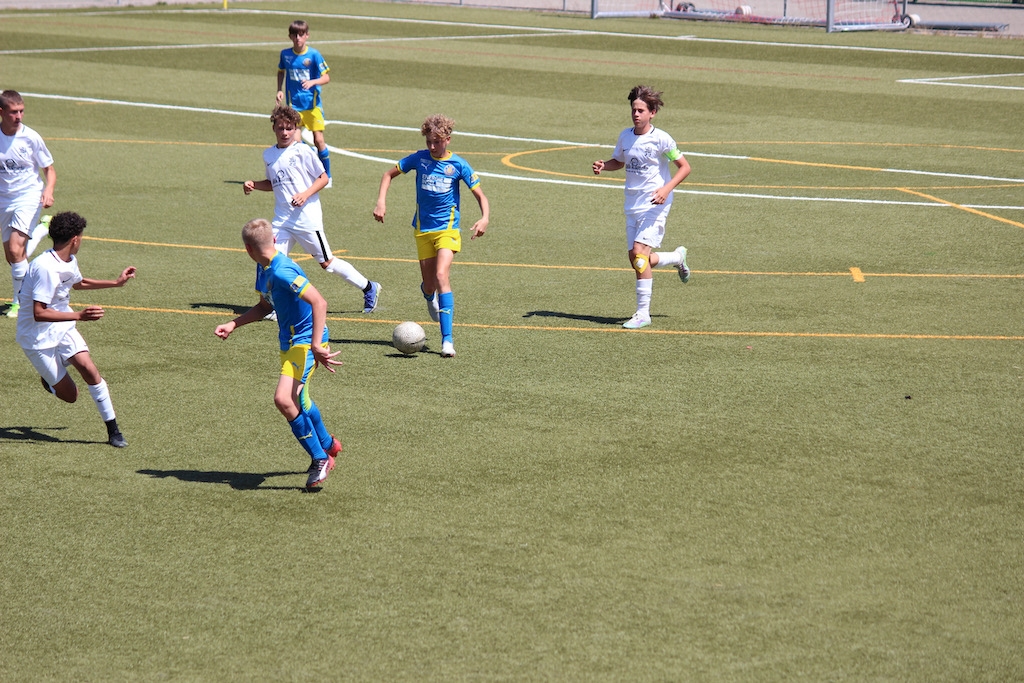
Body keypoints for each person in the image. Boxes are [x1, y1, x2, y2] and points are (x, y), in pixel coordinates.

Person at [215, 218, 344, 490]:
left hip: (305, 343)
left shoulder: (283, 270)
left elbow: (319, 302)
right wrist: (233, 324)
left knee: (284, 399)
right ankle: (328, 444)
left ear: (248, 249)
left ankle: (320, 458)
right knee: (301, 401)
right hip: (289, 343)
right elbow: (265, 307)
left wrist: (316, 345)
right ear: (273, 240)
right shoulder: (264, 270)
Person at [244, 106, 381, 314]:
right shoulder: (269, 154)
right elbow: (274, 183)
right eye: (280, 128)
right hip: (282, 220)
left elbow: (323, 178)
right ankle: (271, 306)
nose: (285, 132)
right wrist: (254, 184)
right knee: (270, 260)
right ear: (274, 128)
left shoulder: (303, 151)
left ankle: (369, 287)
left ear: (296, 129)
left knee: (327, 263)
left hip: (306, 218)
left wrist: (305, 194)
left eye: (289, 128)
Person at [373, 114, 489, 358]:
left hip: (448, 230)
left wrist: (484, 218)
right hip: (422, 230)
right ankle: (428, 295)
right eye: (429, 142)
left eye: (437, 142)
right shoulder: (419, 159)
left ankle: (447, 341)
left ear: (448, 140)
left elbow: (480, 195)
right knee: (429, 284)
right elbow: (388, 175)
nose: (432, 147)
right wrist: (381, 202)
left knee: (441, 275)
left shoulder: (458, 165)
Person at [15, 211, 134, 448]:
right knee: (71, 396)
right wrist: (79, 315)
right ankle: (50, 381)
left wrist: (116, 283)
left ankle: (113, 430)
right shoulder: (46, 268)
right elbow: (39, 313)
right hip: (37, 338)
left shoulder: (68, 259)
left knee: (89, 369)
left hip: (62, 326)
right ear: (75, 239)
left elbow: (78, 283)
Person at [592, 85, 692, 330]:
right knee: (638, 259)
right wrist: (604, 165)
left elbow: (685, 167)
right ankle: (677, 257)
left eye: (641, 110)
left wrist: (665, 190)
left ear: (652, 113)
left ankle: (643, 314)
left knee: (639, 255)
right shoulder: (625, 136)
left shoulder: (662, 139)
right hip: (632, 204)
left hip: (655, 204)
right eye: (633, 110)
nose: (636, 114)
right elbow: (620, 161)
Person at [1, 90, 57, 319]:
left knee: (16, 250)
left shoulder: (31, 137)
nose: (19, 116)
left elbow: (49, 169)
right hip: (3, 200)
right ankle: (42, 230)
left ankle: (20, 303)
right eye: (14, 112)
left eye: (21, 111)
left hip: (28, 196)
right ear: (1, 112)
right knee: (13, 256)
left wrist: (48, 190)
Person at [276, 19, 333, 183]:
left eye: (301, 35)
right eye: (295, 35)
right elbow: (281, 71)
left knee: (319, 140)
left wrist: (313, 82)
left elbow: (326, 77)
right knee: (296, 142)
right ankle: (310, 160)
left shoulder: (314, 55)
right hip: (294, 106)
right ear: (290, 36)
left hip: (312, 106)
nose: (298, 38)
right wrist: (279, 89)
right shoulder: (285, 54)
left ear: (307, 35)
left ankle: (328, 176)